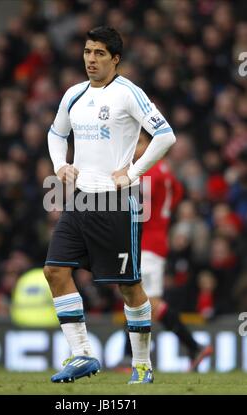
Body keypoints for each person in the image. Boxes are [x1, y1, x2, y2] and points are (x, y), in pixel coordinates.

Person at [44, 27, 176, 384]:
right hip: (80, 200)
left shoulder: (128, 93)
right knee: (54, 271)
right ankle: (83, 354)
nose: (91, 59)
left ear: (115, 59)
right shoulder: (73, 95)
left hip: (117, 203)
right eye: (88, 51)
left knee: (130, 287)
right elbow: (56, 133)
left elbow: (165, 135)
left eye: (99, 53)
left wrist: (133, 172)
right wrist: (60, 165)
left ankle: (143, 364)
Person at [120, 131, 213, 372]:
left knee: (142, 300)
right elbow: (176, 197)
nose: (134, 147)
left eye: (138, 142)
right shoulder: (167, 173)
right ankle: (192, 347)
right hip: (157, 240)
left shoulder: (147, 173)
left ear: (150, 144)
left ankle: (133, 356)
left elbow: (137, 204)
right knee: (142, 299)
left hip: (148, 243)